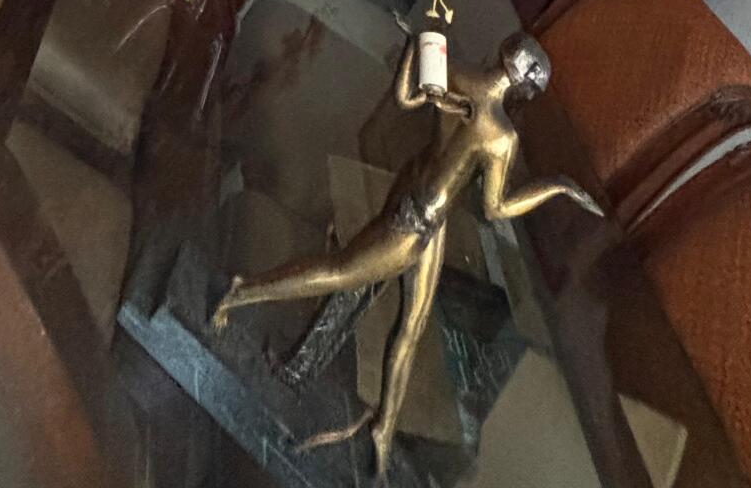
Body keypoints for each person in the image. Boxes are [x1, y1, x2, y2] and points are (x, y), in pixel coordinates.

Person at [212, 32, 602, 475]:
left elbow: (405, 98)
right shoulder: (501, 137)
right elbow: (496, 209)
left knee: (412, 326)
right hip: (414, 226)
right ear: (525, 84)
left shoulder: (458, 73)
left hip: (418, 205)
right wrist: (556, 187)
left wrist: (415, 46)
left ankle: (384, 427)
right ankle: (242, 292)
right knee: (341, 272)